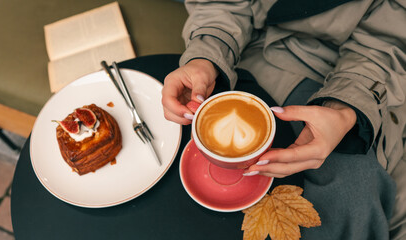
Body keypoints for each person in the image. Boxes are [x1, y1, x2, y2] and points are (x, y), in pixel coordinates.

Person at [161, 0, 406, 239]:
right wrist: (206, 56)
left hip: (357, 71)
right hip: (245, 48)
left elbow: (389, 36)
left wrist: (345, 108)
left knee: (352, 191)